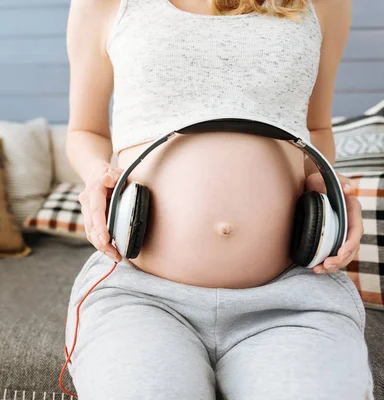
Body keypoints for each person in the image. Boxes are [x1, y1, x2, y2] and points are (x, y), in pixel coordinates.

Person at [63, 0, 373, 398]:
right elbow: (85, 130)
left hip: (294, 298)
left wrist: (327, 188)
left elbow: (314, 127)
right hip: (139, 294)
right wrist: (96, 177)